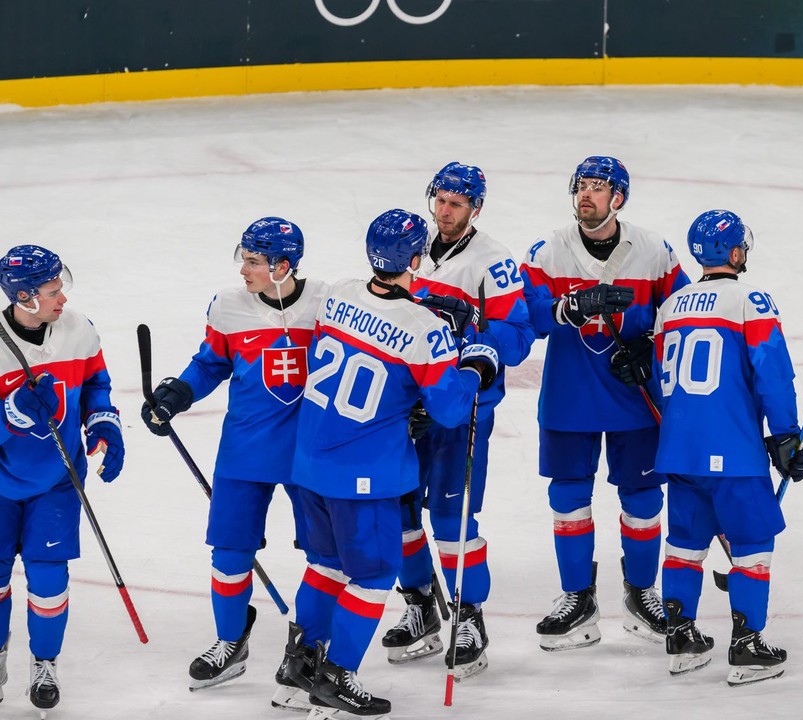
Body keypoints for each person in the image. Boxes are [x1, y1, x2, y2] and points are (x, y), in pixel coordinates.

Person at [288, 209, 499, 717]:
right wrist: (475, 367)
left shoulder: (337, 294)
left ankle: (300, 662)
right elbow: (449, 410)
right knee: (375, 576)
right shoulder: (424, 328)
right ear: (418, 258)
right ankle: (338, 677)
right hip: (365, 474)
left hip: (309, 461)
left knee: (325, 566)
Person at [140, 217, 330, 703]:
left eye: (253, 261)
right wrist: (177, 393)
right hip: (245, 450)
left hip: (312, 452)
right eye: (242, 258)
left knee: (325, 557)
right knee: (228, 552)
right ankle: (231, 641)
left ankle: (309, 650)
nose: (242, 269)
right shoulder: (228, 305)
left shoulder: (328, 304)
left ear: (283, 266)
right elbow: (211, 361)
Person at [520, 155, 689, 651]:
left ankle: (641, 595)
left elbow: (681, 312)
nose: (586, 196)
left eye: (597, 188)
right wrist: (565, 308)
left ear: (619, 198)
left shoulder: (653, 250)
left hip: (633, 395)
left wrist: (650, 346)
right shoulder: (549, 251)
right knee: (568, 496)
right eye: (581, 187)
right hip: (569, 396)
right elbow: (526, 317)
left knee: (642, 499)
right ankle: (578, 598)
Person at [379, 162, 534, 680]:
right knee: (400, 511)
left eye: (456, 204)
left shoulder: (494, 261)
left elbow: (518, 338)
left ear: (475, 209)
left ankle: (469, 617)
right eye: (440, 201)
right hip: (408, 405)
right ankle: (420, 605)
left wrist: (475, 329)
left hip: (462, 410)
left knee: (450, 519)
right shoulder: (410, 250)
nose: (444, 212)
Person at [652, 209, 803, 685]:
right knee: (751, 543)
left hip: (678, 452)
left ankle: (680, 636)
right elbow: (773, 373)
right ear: (736, 252)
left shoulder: (671, 306)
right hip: (733, 451)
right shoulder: (751, 301)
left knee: (684, 544)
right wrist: (786, 434)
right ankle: (747, 645)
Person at [0, 245, 125, 713]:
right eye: (53, 292)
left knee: (49, 578)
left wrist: (105, 424)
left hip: (57, 479)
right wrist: (10, 414)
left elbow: (97, 384)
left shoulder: (78, 330)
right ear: (25, 297)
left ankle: (45, 663)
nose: (63, 300)